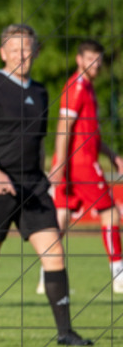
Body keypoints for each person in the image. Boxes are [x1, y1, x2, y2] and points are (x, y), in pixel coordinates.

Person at [0, 24, 92, 346]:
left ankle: (65, 332)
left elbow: (38, 141)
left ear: (34, 53)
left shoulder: (41, 91)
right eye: (15, 50)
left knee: (55, 255)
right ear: (3, 52)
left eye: (27, 50)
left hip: (32, 185)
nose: (22, 56)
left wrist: (49, 172)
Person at [36, 40, 123, 294]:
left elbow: (91, 133)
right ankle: (119, 274)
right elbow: (64, 127)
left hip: (75, 162)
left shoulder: (89, 88)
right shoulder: (76, 87)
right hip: (80, 164)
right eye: (89, 59)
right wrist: (60, 167)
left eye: (98, 60)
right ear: (79, 59)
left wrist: (113, 156)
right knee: (110, 214)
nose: (94, 65)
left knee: (61, 220)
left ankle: (46, 277)